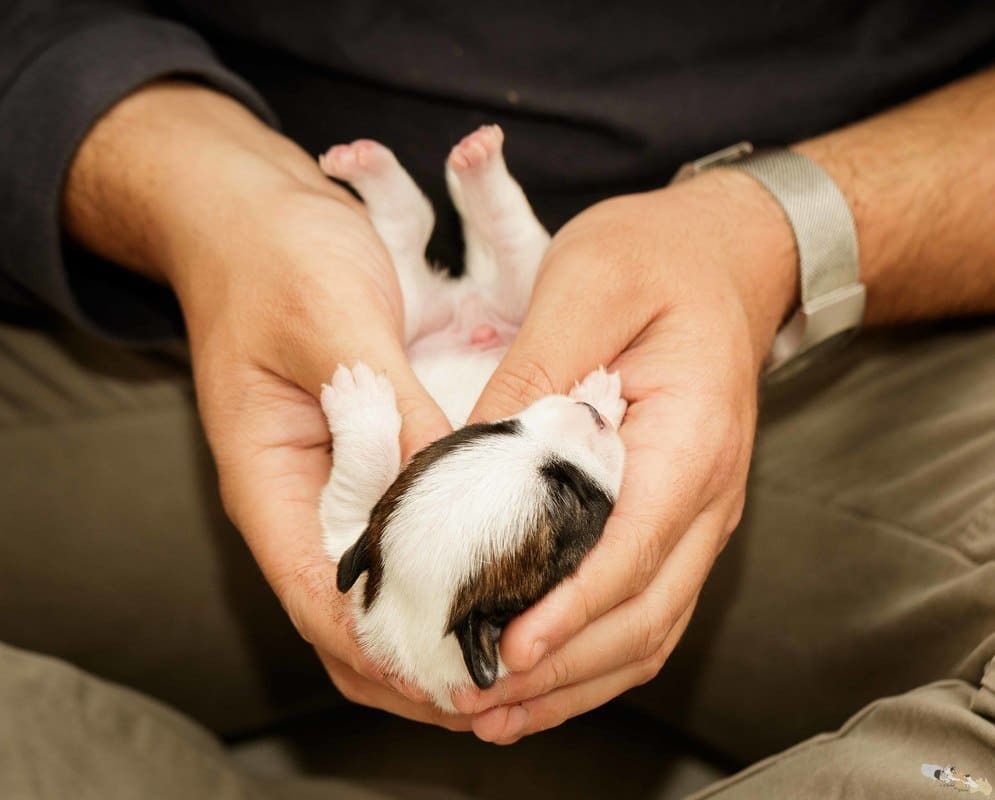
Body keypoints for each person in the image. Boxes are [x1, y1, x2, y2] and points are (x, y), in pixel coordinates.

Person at [1, 2, 993, 797]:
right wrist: (197, 191)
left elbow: (358, 516)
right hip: (165, 309)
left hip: (853, 330)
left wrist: (786, 230)